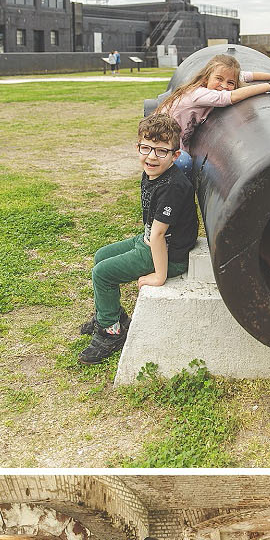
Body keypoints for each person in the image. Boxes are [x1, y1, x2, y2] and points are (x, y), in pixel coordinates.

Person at [78, 111, 198, 366]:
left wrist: (160, 275)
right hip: (150, 239)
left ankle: (111, 333)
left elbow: (158, 234)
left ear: (175, 155)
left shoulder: (173, 186)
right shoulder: (153, 171)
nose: (152, 156)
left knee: (102, 274)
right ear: (138, 148)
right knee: (101, 256)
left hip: (169, 253)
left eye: (161, 151)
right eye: (146, 148)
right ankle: (113, 316)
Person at [157, 53, 270, 171]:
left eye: (230, 83)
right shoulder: (198, 94)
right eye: (219, 79)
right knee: (184, 163)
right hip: (161, 142)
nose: (224, 86)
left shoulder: (213, 82)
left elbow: (245, 76)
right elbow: (230, 97)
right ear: (206, 78)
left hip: (176, 140)